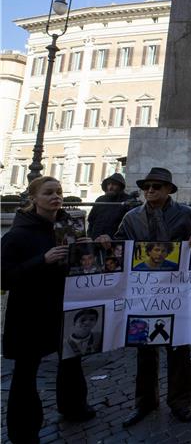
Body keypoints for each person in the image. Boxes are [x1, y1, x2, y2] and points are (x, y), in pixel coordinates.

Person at [2, 176, 96, 443]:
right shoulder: (17, 234)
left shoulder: (70, 228)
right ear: (34, 198)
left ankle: (74, 406)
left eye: (59, 192)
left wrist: (93, 247)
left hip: (65, 305)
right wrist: (41, 260)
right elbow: (4, 277)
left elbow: (83, 264)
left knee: (71, 358)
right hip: (30, 312)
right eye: (48, 193)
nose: (56, 197)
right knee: (25, 372)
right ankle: (24, 430)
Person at [106, 167, 191, 427]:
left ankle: (180, 402)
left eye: (156, 187)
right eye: (146, 187)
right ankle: (145, 402)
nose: (150, 191)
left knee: (178, 348)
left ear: (169, 190)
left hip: (176, 292)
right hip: (143, 294)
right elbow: (119, 248)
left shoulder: (185, 214)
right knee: (144, 349)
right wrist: (106, 243)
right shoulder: (131, 217)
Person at [87, 173, 133, 239]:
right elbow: (91, 221)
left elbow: (128, 226)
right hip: (95, 242)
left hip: (115, 243)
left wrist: (113, 238)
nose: (110, 187)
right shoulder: (100, 199)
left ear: (120, 186)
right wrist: (90, 237)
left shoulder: (127, 201)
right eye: (108, 184)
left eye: (114, 184)